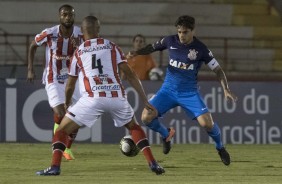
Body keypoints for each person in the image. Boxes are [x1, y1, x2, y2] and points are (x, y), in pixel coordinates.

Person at [36, 15, 165, 176]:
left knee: (61, 130)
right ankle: (153, 163)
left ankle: (55, 167)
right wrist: (145, 100)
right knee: (134, 127)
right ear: (99, 29)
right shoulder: (112, 46)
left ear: (82, 32)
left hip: (92, 98)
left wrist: (67, 104)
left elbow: (70, 84)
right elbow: (130, 74)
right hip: (116, 96)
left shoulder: (79, 51)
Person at [129, 15, 237, 165]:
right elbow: (152, 47)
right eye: (179, 32)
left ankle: (220, 147)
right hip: (167, 91)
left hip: (189, 93)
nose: (181, 35)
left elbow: (218, 70)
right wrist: (138, 52)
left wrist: (226, 89)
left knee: (207, 124)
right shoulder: (169, 40)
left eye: (185, 32)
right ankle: (166, 134)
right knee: (146, 117)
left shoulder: (201, 49)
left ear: (193, 30)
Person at [27, 4, 84, 160]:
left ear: (74, 16)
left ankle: (66, 148)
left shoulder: (80, 34)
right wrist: (30, 69)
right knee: (60, 113)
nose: (67, 17)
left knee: (76, 115)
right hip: (54, 79)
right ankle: (58, 147)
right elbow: (33, 45)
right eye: (64, 15)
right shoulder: (50, 33)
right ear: (60, 16)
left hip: (74, 79)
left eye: (70, 15)